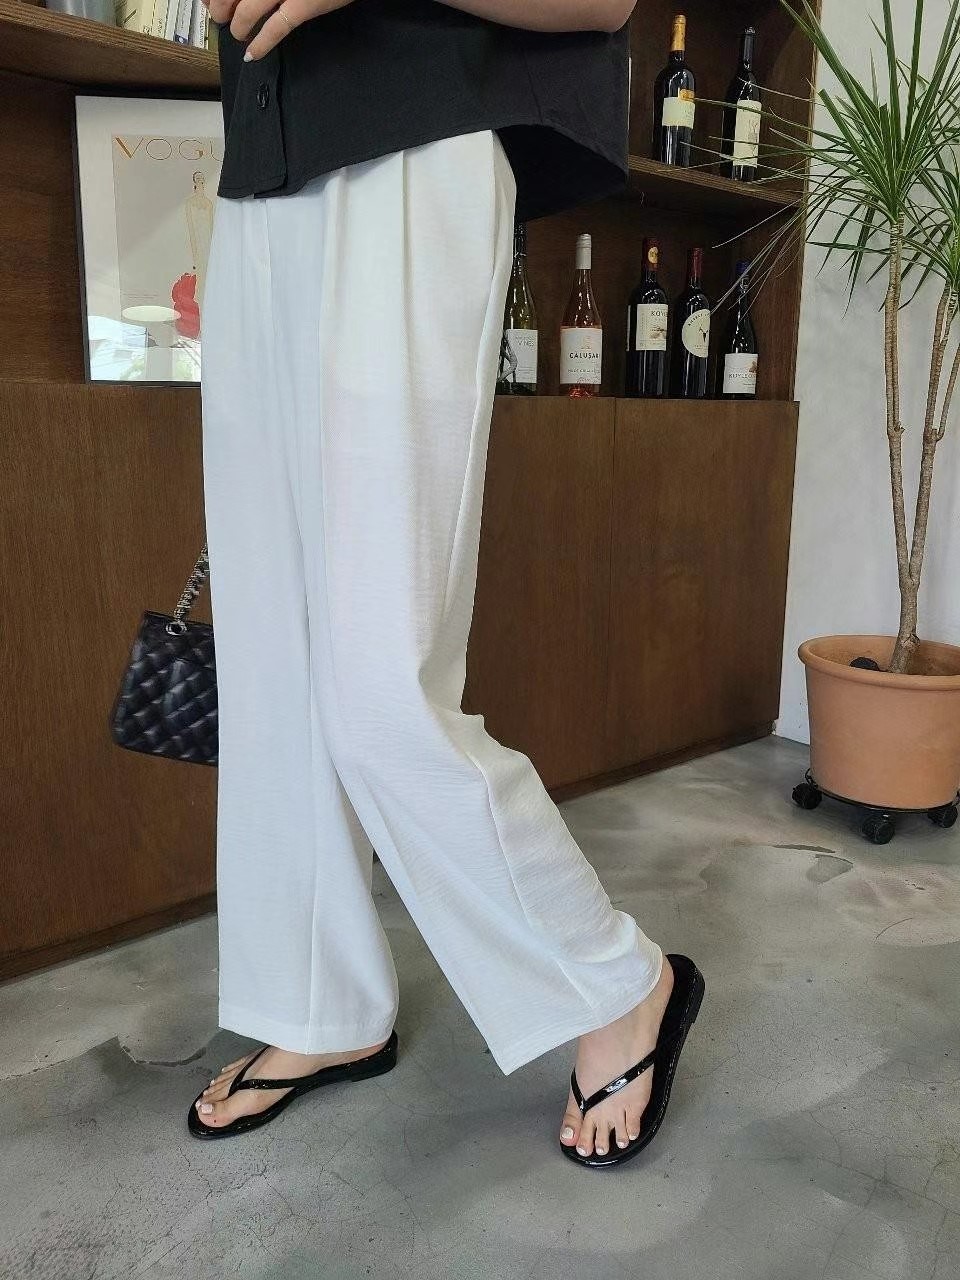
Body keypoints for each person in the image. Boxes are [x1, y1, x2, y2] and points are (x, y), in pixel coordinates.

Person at [189, 0, 704, 1168]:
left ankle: (618, 980)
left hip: (411, 156)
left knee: (380, 680)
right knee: (275, 659)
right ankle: (318, 1002)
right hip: (260, 175)